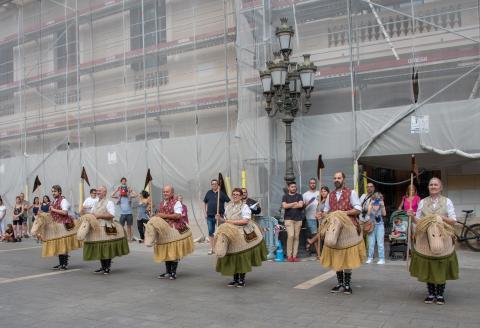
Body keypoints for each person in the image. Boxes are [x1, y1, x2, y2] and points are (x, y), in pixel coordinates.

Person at [410, 177, 458, 305]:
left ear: (440, 187)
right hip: (426, 238)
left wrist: (440, 217)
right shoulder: (423, 202)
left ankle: (440, 294)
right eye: (431, 184)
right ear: (428, 187)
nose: (433, 186)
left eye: (436, 184)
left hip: (443, 238)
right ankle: (431, 293)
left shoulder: (447, 201)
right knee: (429, 266)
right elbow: (418, 221)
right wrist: (412, 216)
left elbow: (453, 220)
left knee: (441, 265)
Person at [322, 171, 365, 294]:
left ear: (344, 179)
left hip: (348, 228)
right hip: (334, 228)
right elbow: (326, 210)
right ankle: (339, 283)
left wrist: (343, 213)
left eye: (339, 178)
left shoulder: (351, 193)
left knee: (347, 256)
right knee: (336, 255)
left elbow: (358, 209)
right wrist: (323, 215)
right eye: (335, 178)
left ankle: (347, 285)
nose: (336, 180)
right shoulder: (330, 195)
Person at [216, 188, 267, 287]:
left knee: (241, 255)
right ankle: (235, 279)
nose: (235, 196)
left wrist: (229, 222)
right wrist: (220, 219)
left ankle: (242, 279)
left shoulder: (244, 207)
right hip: (230, 231)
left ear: (241, 196)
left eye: (237, 194)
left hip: (241, 231)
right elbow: (225, 219)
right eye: (233, 194)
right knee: (231, 254)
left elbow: (245, 221)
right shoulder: (228, 207)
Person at [157, 185, 185, 280]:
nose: (165, 193)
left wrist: (164, 215)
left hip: (174, 228)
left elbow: (178, 216)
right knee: (166, 250)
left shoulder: (177, 202)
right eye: (164, 191)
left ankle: (173, 273)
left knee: (173, 250)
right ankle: (168, 272)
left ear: (172, 193)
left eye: (167, 192)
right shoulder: (162, 203)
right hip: (164, 229)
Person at [91, 186, 118, 275]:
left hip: (107, 227)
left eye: (100, 191)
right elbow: (92, 214)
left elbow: (112, 215)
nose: (98, 192)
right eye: (97, 191)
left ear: (105, 192)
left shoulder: (109, 202)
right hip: (97, 228)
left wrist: (100, 216)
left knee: (106, 247)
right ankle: (103, 267)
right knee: (100, 248)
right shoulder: (95, 203)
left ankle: (107, 267)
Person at [50, 185, 75, 270]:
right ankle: (61, 263)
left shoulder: (63, 200)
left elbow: (64, 212)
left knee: (63, 244)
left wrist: (53, 210)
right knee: (59, 244)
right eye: (52, 191)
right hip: (57, 225)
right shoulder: (54, 201)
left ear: (59, 192)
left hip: (64, 225)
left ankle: (64, 264)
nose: (53, 193)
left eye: (55, 191)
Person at [203, 179, 230, 255]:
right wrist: (205, 212)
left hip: (219, 216)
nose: (214, 185)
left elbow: (229, 202)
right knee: (211, 232)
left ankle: (221, 247)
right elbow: (204, 202)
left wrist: (226, 213)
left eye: (215, 184)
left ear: (218, 185)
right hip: (210, 216)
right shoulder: (209, 193)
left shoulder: (221, 193)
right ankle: (212, 248)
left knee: (221, 232)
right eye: (212, 184)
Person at [282, 181, 304, 262]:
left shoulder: (299, 196)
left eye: (295, 186)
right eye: (292, 187)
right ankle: (289, 255)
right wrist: (295, 203)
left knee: (296, 237)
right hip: (288, 219)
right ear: (288, 188)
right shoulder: (285, 196)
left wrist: (289, 205)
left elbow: (301, 205)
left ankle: (294, 256)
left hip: (298, 219)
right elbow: (284, 206)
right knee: (291, 235)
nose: (294, 188)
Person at [306, 186, 330, 254]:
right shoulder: (320, 201)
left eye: (325, 191)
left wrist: (321, 214)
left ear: (328, 192)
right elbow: (317, 210)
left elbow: (329, 211)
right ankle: (320, 254)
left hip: (327, 221)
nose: (323, 193)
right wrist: (317, 215)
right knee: (321, 236)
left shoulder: (329, 200)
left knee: (322, 234)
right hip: (320, 221)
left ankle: (311, 241)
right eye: (322, 191)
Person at [111, 177, 135, 241]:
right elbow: (111, 195)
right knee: (121, 226)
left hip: (129, 213)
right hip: (122, 213)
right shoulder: (119, 196)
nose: (123, 182)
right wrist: (117, 190)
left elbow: (136, 195)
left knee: (129, 226)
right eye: (122, 181)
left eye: (124, 181)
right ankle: (122, 237)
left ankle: (129, 238)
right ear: (121, 182)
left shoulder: (129, 196)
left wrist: (131, 190)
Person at [365, 192, 386, 264]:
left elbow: (384, 214)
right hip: (371, 225)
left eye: (379, 198)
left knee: (380, 243)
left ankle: (382, 259)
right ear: (373, 198)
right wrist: (371, 204)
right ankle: (370, 258)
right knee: (371, 243)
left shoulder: (381, 205)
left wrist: (382, 205)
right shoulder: (371, 204)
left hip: (380, 225)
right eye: (376, 198)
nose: (377, 200)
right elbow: (367, 214)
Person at [303, 178, 319, 255]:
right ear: (309, 184)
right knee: (315, 235)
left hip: (320, 218)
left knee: (320, 235)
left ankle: (310, 243)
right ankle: (318, 253)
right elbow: (302, 207)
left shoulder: (319, 193)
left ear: (316, 184)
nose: (312, 184)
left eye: (314, 183)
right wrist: (308, 203)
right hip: (310, 217)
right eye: (311, 183)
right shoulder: (305, 195)